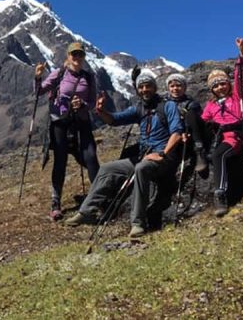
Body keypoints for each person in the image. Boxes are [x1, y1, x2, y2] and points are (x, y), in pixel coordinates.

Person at [65, 73, 183, 238]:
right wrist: (101, 111)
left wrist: (162, 154)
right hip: (144, 156)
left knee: (141, 168)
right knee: (107, 168)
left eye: (148, 86)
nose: (144, 89)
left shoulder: (168, 106)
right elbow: (114, 120)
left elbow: (177, 133)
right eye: (141, 87)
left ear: (155, 88)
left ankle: (138, 223)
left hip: (164, 157)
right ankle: (86, 212)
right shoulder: (139, 108)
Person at [35, 42, 100, 221]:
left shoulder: (89, 77)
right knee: (60, 161)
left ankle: (98, 199)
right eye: (74, 54)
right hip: (61, 123)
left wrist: (83, 104)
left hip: (81, 122)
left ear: (84, 57)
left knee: (91, 158)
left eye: (80, 54)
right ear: (68, 56)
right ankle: (56, 204)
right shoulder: (59, 74)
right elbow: (39, 92)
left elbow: (93, 103)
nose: (77, 57)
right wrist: (38, 76)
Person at [201, 37, 243, 217]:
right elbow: (203, 121)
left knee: (218, 155)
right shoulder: (211, 105)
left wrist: (242, 54)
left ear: (228, 84)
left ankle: (220, 193)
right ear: (211, 90)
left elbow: (239, 75)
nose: (220, 87)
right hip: (219, 138)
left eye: (223, 83)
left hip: (234, 137)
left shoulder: (236, 97)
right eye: (216, 86)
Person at [166, 73, 208, 176]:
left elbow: (195, 122)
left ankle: (199, 151)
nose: (175, 89)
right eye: (172, 86)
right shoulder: (164, 104)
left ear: (184, 87)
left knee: (191, 114)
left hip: (189, 135)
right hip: (172, 136)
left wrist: (185, 131)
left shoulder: (192, 104)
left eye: (178, 85)